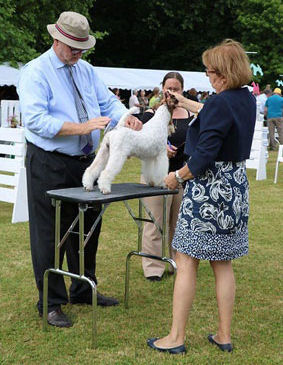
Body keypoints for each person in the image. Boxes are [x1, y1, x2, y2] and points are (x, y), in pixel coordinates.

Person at [18, 11, 142, 328]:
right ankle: (51, 301)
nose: (79, 53)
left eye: (82, 48)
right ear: (56, 39)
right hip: (49, 161)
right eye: (74, 47)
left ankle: (84, 288)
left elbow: (107, 103)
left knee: (88, 227)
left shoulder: (85, 70)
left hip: (87, 161)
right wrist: (82, 127)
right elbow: (34, 121)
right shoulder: (35, 72)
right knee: (51, 234)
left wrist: (124, 116)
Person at [147, 39, 256, 354]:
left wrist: (175, 176)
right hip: (234, 187)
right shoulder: (244, 99)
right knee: (222, 262)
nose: (207, 77)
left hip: (209, 191)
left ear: (223, 73)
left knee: (185, 260)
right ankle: (224, 335)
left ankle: (176, 337)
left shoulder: (222, 103)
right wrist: (183, 100)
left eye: (210, 72)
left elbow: (203, 157)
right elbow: (212, 111)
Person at [141, 72, 192, 281]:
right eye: (168, 88)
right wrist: (161, 149)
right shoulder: (150, 113)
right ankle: (153, 267)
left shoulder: (190, 114)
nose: (171, 92)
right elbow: (142, 142)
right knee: (155, 222)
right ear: (162, 88)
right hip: (155, 175)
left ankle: (174, 261)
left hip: (181, 174)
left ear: (182, 90)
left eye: (176, 88)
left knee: (178, 223)